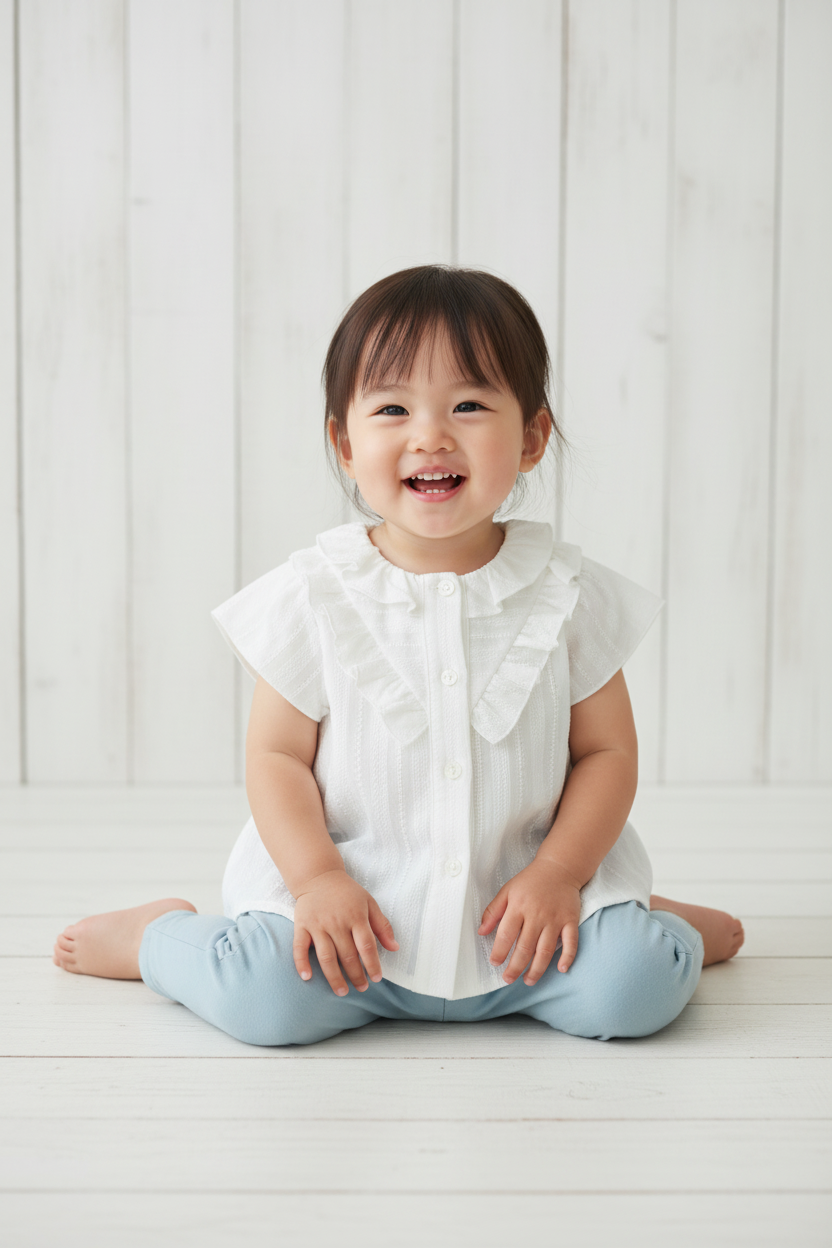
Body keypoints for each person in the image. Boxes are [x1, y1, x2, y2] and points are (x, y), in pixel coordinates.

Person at [52, 265, 744, 1046]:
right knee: (262, 1003)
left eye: (470, 405)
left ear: (531, 438)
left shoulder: (569, 593)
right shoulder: (313, 595)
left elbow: (607, 753)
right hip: (359, 923)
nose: (431, 435)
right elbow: (276, 758)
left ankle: (652, 927)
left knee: (635, 991)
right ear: (346, 444)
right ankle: (156, 938)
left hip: (528, 922)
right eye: (392, 409)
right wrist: (316, 882)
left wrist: (560, 875)